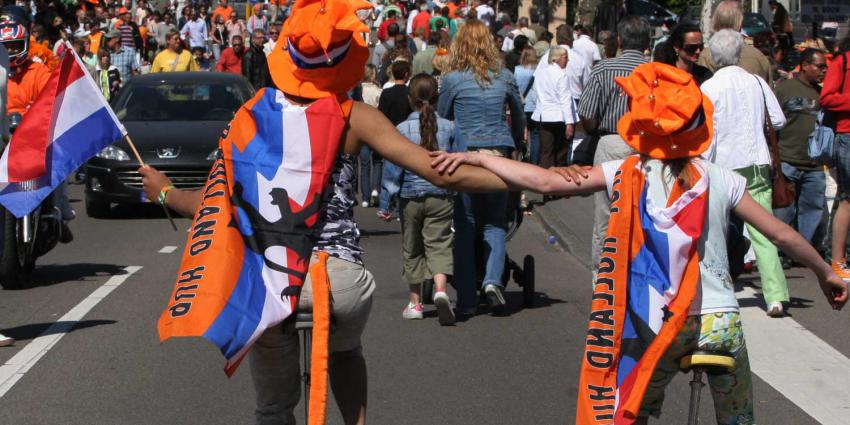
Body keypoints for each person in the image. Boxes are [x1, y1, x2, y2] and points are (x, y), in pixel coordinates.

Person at [138, 0, 512, 422]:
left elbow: (212, 205)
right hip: (337, 283)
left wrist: (165, 193)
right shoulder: (355, 117)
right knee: (346, 351)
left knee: (273, 407)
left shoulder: (251, 116)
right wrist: (530, 179)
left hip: (273, 278)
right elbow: (441, 172)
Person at [430, 61, 849, 425]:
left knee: (635, 409)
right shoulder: (721, 178)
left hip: (661, 322)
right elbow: (781, 234)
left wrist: (481, 157)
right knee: (737, 415)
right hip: (719, 322)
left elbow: (545, 180)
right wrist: (825, 270)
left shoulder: (627, 172)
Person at [437, 19, 525, 316]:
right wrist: (516, 145)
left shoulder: (452, 80)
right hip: (498, 153)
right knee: (494, 223)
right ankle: (491, 281)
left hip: (465, 154)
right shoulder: (505, 76)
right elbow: (519, 115)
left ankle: (466, 299)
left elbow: (443, 117)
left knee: (465, 226)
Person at [702, 29, 789, 317]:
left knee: (718, 232)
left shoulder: (709, 88)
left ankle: (718, 291)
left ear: (714, 58)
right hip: (756, 164)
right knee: (764, 230)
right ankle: (775, 296)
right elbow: (777, 120)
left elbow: (708, 137)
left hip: (722, 168)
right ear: (739, 54)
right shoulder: (756, 82)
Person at [377, 74, 456, 325]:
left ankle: (415, 302)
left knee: (412, 248)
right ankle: (441, 290)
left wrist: (386, 201)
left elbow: (393, 168)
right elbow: (460, 160)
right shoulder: (450, 127)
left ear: (410, 99)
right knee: (440, 244)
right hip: (441, 194)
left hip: (410, 196)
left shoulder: (401, 130)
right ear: (436, 98)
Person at [577, 15, 649, 273]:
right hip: (648, 145)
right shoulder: (655, 70)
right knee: (644, 210)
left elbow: (586, 112)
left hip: (611, 140)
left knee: (605, 213)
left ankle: (603, 274)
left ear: (619, 40)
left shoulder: (604, 69)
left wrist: (593, 129)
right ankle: (639, 270)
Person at [773, 48, 827, 246]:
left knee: (812, 208)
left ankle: (804, 250)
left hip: (814, 164)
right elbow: (771, 122)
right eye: (819, 66)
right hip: (787, 160)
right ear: (804, 65)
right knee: (783, 209)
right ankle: (782, 249)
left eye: (825, 67)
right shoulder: (784, 89)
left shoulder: (823, 93)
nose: (823, 71)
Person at [821, 37, 850, 279]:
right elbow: (827, 97)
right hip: (848, 135)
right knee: (848, 199)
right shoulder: (843, 62)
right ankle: (838, 259)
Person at [697, 0, 772, 86]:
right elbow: (769, 94)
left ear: (715, 23)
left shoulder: (706, 56)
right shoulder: (759, 56)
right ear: (740, 26)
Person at [533, 46, 576, 168]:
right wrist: (569, 122)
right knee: (560, 155)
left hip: (542, 115)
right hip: (558, 117)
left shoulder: (540, 73)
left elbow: (537, 92)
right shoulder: (561, 75)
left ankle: (544, 180)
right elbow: (565, 99)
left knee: (546, 153)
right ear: (557, 58)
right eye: (565, 57)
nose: (567, 60)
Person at [515, 46, 540, 165]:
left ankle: (519, 161)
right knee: (535, 135)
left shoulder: (517, 70)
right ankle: (534, 162)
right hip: (535, 106)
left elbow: (515, 88)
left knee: (519, 134)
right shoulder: (539, 70)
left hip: (521, 106)